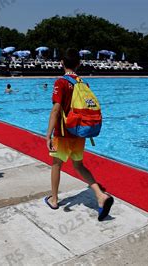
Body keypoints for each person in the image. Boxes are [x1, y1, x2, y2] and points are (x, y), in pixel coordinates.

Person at [45, 48, 113, 221]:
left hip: (63, 133)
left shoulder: (60, 82)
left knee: (56, 164)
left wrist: (48, 134)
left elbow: (56, 109)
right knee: (79, 166)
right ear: (79, 64)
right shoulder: (83, 83)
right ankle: (100, 195)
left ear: (62, 63)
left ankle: (54, 199)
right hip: (80, 133)